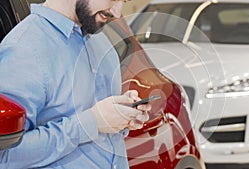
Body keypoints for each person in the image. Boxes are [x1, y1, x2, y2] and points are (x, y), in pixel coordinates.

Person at [0, 0, 150, 168]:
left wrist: (121, 115)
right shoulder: (23, 49)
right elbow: (5, 156)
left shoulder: (101, 41)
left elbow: (102, 123)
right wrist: (91, 123)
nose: (117, 12)